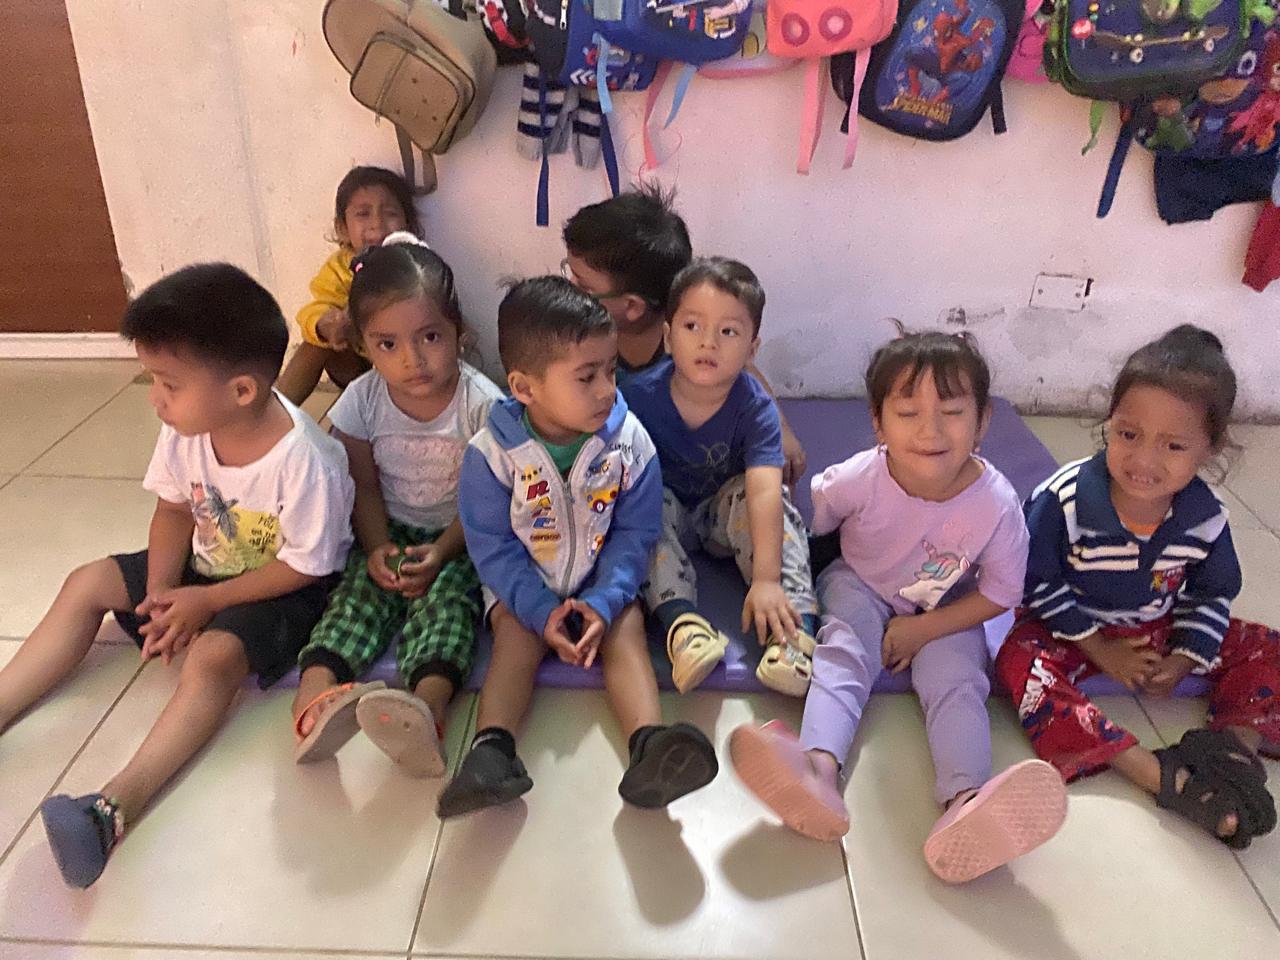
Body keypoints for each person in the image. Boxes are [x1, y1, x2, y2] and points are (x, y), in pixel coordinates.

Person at [0, 264, 354, 887]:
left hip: (283, 587)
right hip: (203, 564)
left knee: (212, 659)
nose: (154, 398)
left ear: (241, 391)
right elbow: (172, 511)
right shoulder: (188, 429)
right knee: (88, 581)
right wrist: (163, 591)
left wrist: (207, 603)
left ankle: (110, 810)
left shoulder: (306, 461)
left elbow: (307, 564)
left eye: (168, 384)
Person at [730, 331, 1067, 884]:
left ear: (983, 421)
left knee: (958, 681)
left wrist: (926, 629)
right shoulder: (858, 477)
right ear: (878, 423)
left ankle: (965, 800)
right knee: (843, 652)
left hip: (946, 603)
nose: (930, 430)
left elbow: (1003, 593)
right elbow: (821, 523)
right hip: (860, 580)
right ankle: (817, 770)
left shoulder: (998, 504)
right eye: (908, 413)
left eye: (952, 412)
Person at [437, 277, 718, 817]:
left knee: (626, 631)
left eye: (610, 370)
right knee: (514, 641)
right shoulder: (491, 456)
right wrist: (538, 609)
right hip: (525, 587)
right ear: (524, 388)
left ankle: (649, 746)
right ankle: (491, 751)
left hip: (601, 578)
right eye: (587, 377)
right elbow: (492, 548)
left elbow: (637, 532)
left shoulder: (629, 440)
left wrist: (606, 600)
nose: (607, 389)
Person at [996, 324, 1279, 850]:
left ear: (1209, 449)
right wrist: (1100, 648)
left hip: (1157, 626)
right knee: (1018, 661)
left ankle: (1232, 751)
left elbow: (1210, 593)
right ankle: (1155, 773)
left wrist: (1185, 657)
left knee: (1268, 647)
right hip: (1069, 629)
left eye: (1173, 445)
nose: (1144, 460)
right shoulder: (1063, 501)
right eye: (1129, 434)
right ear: (1110, 422)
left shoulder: (1205, 517)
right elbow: (1035, 584)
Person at [291, 236, 504, 776]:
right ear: (364, 346)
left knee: (449, 614)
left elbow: (488, 501)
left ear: (458, 331)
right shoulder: (362, 400)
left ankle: (425, 713)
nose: (413, 359)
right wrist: (378, 546)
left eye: (430, 336)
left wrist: (443, 550)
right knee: (352, 604)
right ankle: (316, 701)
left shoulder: (481, 405)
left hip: (459, 537)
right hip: (387, 531)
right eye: (388, 344)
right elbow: (362, 485)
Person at [621, 258, 820, 697]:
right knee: (637, 505)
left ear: (752, 349)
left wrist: (766, 580)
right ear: (668, 337)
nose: (708, 342)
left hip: (724, 514)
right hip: (665, 508)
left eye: (728, 331)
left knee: (776, 507)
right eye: (692, 326)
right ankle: (683, 627)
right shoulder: (636, 398)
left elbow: (763, 490)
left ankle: (793, 632)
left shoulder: (756, 407)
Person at [561, 184, 808, 485]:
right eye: (568, 272)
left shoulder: (687, 335)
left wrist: (783, 430)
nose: (568, 289)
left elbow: (745, 370)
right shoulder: (582, 334)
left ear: (632, 307)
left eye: (582, 286)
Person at [277, 166, 421, 405]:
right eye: (363, 214)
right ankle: (275, 409)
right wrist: (326, 325)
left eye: (390, 213)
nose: (377, 225)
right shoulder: (340, 268)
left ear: (408, 225)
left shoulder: (416, 263)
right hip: (356, 366)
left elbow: (438, 305)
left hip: (405, 365)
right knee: (314, 344)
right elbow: (316, 308)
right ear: (342, 229)